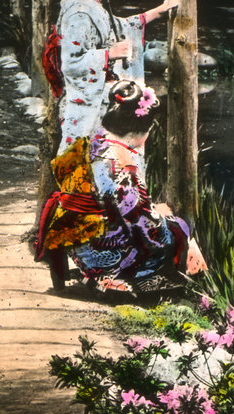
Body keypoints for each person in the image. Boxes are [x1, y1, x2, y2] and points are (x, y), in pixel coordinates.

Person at [36, 79, 202, 292]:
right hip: (102, 252)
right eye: (149, 130)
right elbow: (139, 221)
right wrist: (165, 219)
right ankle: (181, 281)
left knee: (163, 220)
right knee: (178, 226)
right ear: (137, 132)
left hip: (78, 241)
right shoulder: (122, 162)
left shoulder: (92, 144)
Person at [55, 0, 176, 150]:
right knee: (83, 170)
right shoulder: (79, 12)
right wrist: (108, 54)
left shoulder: (95, 8)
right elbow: (70, 63)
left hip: (99, 105)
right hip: (83, 110)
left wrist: (156, 12)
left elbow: (120, 26)